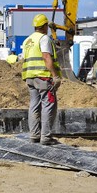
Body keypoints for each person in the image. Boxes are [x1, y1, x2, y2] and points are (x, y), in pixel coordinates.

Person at [21, 14, 62, 144]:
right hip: (43, 77)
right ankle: (46, 137)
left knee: (34, 105)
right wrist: (55, 76)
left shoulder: (27, 40)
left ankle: (34, 135)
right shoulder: (44, 39)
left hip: (30, 77)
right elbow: (46, 57)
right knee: (48, 105)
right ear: (45, 26)